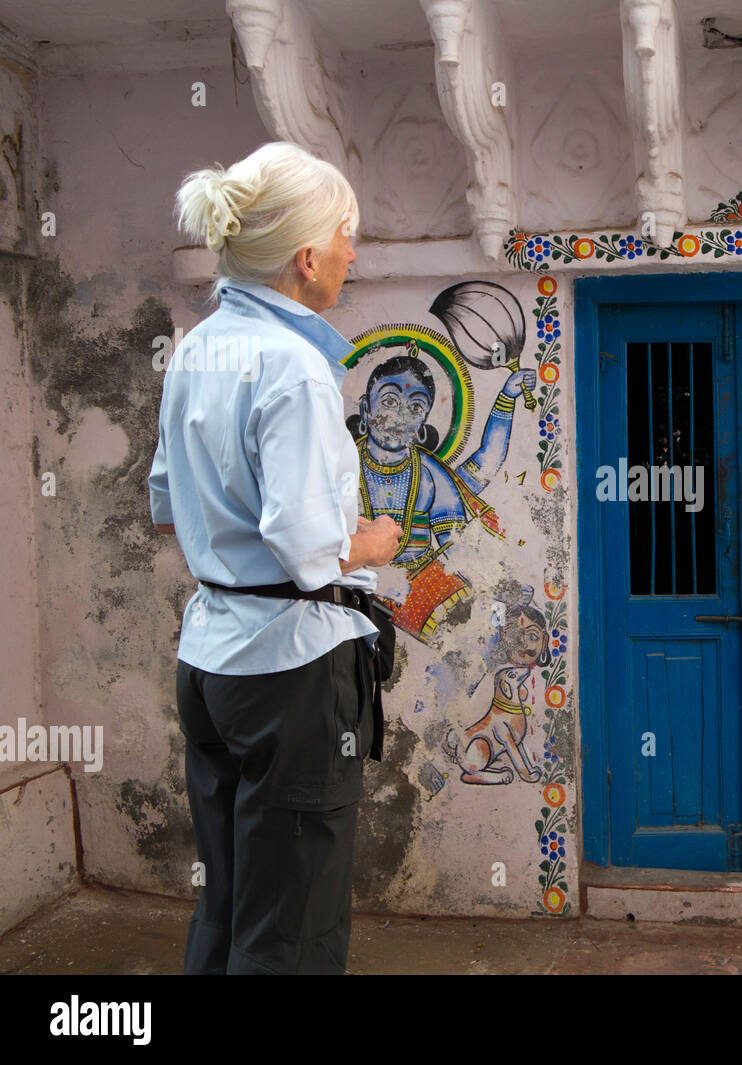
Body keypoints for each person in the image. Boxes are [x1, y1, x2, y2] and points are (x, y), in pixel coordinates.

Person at [148, 142, 401, 973]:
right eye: (345, 235)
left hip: (211, 660)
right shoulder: (295, 367)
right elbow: (306, 551)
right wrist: (376, 540)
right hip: (289, 673)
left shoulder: (196, 348)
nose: (352, 253)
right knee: (291, 921)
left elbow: (163, 501)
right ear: (306, 257)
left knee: (230, 899)